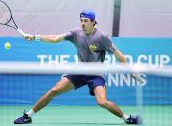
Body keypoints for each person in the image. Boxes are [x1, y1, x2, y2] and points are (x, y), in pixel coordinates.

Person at [14, 9, 142, 124]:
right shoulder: (76, 33)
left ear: (93, 22)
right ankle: (28, 116)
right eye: (81, 20)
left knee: (102, 102)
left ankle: (128, 118)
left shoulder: (102, 37)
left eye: (86, 21)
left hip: (96, 74)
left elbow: (119, 56)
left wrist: (130, 71)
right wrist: (35, 37)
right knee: (54, 90)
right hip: (79, 71)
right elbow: (55, 38)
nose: (83, 23)